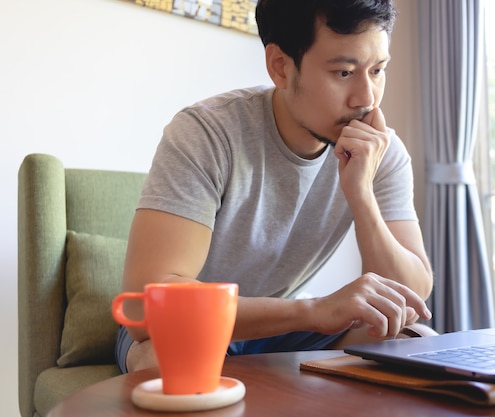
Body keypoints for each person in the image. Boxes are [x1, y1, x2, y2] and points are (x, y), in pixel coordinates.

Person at [115, 0, 434, 374]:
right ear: (280, 67)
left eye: (378, 70)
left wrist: (361, 194)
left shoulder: (379, 150)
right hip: (191, 326)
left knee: (414, 343)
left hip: (285, 328)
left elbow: (409, 299)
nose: (366, 98)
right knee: (169, 359)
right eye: (345, 72)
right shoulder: (207, 133)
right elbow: (143, 305)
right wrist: (315, 310)